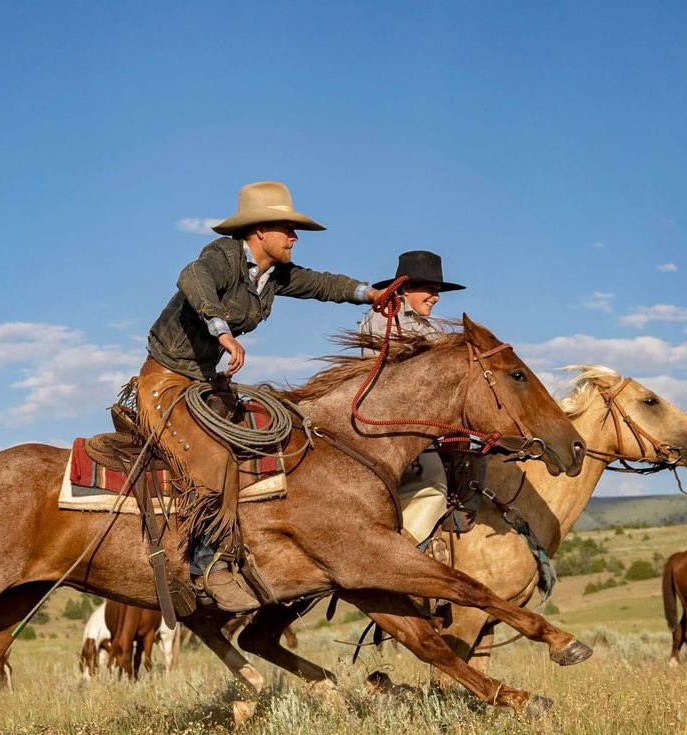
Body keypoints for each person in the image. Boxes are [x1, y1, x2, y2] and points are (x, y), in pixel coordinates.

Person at [138, 181, 384, 611]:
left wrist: (370, 293)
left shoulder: (273, 276)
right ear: (259, 232)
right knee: (214, 457)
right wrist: (223, 332)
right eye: (287, 229)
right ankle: (205, 565)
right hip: (164, 381)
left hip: (202, 382)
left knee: (275, 433)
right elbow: (192, 278)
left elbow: (322, 284)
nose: (294, 238)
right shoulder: (221, 257)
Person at [357, 250, 466, 547]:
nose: (436, 297)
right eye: (430, 289)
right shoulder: (385, 318)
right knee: (433, 485)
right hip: (389, 423)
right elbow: (392, 377)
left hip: (410, 422)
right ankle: (402, 554)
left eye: (438, 291)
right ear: (405, 289)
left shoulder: (428, 328)